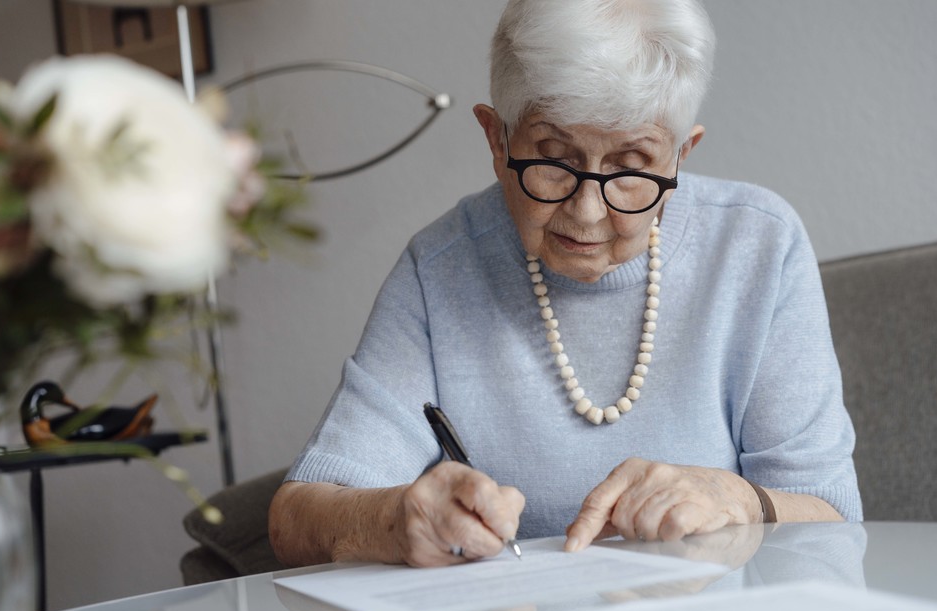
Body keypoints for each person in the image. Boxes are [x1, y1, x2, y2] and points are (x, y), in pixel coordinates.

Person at [269, 0, 862, 568]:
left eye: (631, 166)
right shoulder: (440, 269)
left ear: (681, 155)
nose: (587, 211)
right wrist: (395, 520)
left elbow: (835, 514)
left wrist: (740, 501)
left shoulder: (759, 246)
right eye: (553, 158)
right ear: (497, 142)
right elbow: (294, 519)